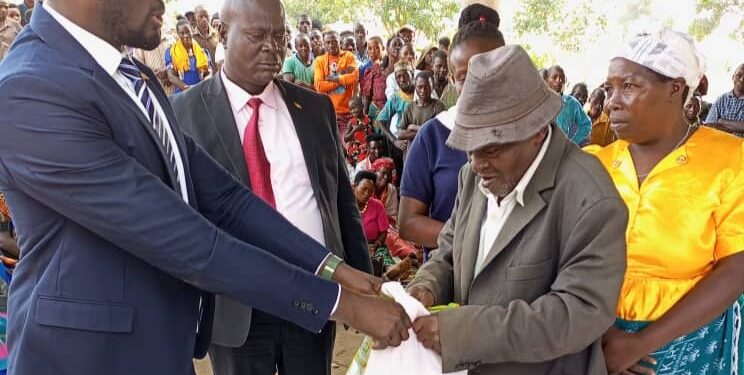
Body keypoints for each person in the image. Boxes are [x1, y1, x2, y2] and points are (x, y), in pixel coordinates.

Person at [0, 1, 413, 374]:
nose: (163, 4)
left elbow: (227, 198)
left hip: (158, 344)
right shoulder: (31, 88)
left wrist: (333, 268)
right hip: (85, 357)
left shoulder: (131, 76)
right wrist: (344, 304)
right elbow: (189, 241)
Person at [172, 2, 378, 374]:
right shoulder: (184, 113)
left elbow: (341, 202)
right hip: (237, 307)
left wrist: (361, 284)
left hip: (315, 296)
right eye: (257, 35)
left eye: (279, 35)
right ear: (222, 32)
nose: (272, 46)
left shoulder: (314, 109)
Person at [405, 44, 628, 375]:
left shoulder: (592, 200)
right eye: (469, 149)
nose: (476, 164)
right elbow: (449, 252)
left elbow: (579, 312)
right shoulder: (474, 176)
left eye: (491, 148)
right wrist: (425, 287)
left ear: (537, 131)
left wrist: (466, 333)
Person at [585, 28, 744, 375]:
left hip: (688, 341)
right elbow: (567, 255)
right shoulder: (595, 163)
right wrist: (601, 332)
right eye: (609, 88)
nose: (612, 101)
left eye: (629, 86)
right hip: (595, 337)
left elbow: (737, 267)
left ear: (675, 88)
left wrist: (642, 343)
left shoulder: (730, 159)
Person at [399, 3, 502, 251]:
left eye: (489, 69)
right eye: (466, 76)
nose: (479, 84)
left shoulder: (529, 135)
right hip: (446, 275)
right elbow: (408, 222)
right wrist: (472, 240)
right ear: (454, 76)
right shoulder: (433, 135)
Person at [314, 30, 358, 137]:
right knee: (343, 143)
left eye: (334, 42)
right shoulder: (320, 61)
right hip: (332, 112)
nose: (331, 45)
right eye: (328, 43)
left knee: (355, 142)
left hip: (351, 110)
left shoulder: (348, 56)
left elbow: (354, 76)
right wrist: (341, 79)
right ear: (324, 44)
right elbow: (319, 86)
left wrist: (332, 79)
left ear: (339, 41)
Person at [354, 171, 394, 273]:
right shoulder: (346, 205)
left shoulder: (377, 205)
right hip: (353, 244)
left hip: (373, 245)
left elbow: (384, 232)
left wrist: (376, 244)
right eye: (364, 189)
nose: (367, 194)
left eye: (370, 191)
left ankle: (391, 270)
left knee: (382, 252)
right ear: (355, 186)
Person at [546, 65, 592, 145]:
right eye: (554, 77)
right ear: (546, 80)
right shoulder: (538, 102)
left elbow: (586, 124)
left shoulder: (572, 104)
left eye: (562, 78)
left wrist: (573, 142)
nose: (559, 81)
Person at [399, 71, 445, 147]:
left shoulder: (438, 106)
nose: (423, 91)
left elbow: (437, 132)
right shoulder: (410, 107)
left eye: (426, 87)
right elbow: (400, 134)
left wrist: (413, 127)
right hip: (413, 150)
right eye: (419, 87)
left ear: (432, 87)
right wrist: (425, 131)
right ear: (415, 87)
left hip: (431, 149)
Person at [376, 60, 415, 149]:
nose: (402, 80)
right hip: (403, 143)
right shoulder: (396, 98)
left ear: (412, 75)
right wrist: (395, 141)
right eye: (398, 77)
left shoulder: (420, 92)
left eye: (405, 75)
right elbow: (380, 120)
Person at [166, 20, 210, 93]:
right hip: (183, 95)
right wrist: (187, 89)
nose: (185, 35)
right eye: (182, 33)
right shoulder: (171, 52)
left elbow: (209, 72)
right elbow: (171, 76)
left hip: (200, 92)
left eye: (188, 32)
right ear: (177, 34)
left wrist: (202, 85)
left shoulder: (202, 51)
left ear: (192, 31)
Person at [704, 63, 744, 137]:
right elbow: (708, 125)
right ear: (733, 77)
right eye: (739, 75)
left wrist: (721, 121)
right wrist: (737, 127)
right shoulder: (721, 100)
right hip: (720, 145)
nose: (742, 79)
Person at [360, 36, 386, 119]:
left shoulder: (387, 66)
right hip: (374, 107)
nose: (373, 51)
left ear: (383, 48)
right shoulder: (365, 67)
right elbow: (366, 94)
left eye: (377, 48)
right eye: (370, 48)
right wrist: (364, 114)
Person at [344, 96, 374, 167]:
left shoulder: (369, 119)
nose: (352, 111)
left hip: (367, 149)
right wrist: (354, 130)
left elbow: (372, 132)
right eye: (350, 109)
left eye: (354, 108)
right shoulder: (351, 122)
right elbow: (345, 138)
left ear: (362, 106)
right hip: (356, 152)